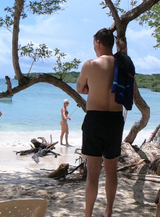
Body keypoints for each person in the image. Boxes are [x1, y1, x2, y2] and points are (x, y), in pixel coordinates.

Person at [76, 28, 125, 217]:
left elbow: (80, 88)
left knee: (93, 173)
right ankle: (109, 212)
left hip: (95, 119)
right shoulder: (122, 65)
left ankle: (88, 214)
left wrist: (91, 87)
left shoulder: (90, 64)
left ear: (98, 43)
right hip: (115, 119)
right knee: (111, 171)